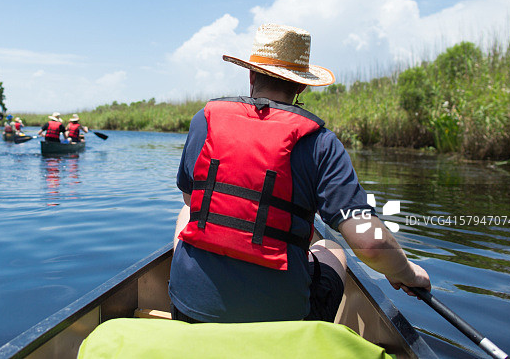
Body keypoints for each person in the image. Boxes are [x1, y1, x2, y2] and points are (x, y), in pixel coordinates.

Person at [169, 23, 430, 324]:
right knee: (332, 247)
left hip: (188, 309)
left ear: (251, 75)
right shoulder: (321, 143)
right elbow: (371, 243)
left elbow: (192, 200)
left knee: (187, 211)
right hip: (280, 324)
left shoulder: (204, 121)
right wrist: (405, 271)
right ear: (302, 85)